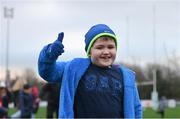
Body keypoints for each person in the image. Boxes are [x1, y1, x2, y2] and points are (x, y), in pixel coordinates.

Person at [38, 24, 142, 118]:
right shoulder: (74, 68)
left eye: (110, 47)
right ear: (89, 51)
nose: (106, 52)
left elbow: (136, 108)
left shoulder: (126, 76)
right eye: (99, 47)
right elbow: (48, 73)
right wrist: (49, 54)